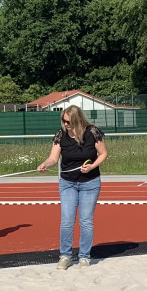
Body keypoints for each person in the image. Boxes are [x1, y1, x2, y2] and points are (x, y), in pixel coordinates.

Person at [37, 105, 107, 269]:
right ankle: (65, 256)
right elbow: (53, 158)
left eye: (68, 121)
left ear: (77, 120)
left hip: (90, 183)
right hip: (67, 183)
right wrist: (45, 164)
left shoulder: (92, 132)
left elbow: (103, 153)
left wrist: (92, 166)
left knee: (86, 220)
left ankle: (84, 257)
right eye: (63, 120)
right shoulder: (60, 134)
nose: (65, 124)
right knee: (67, 220)